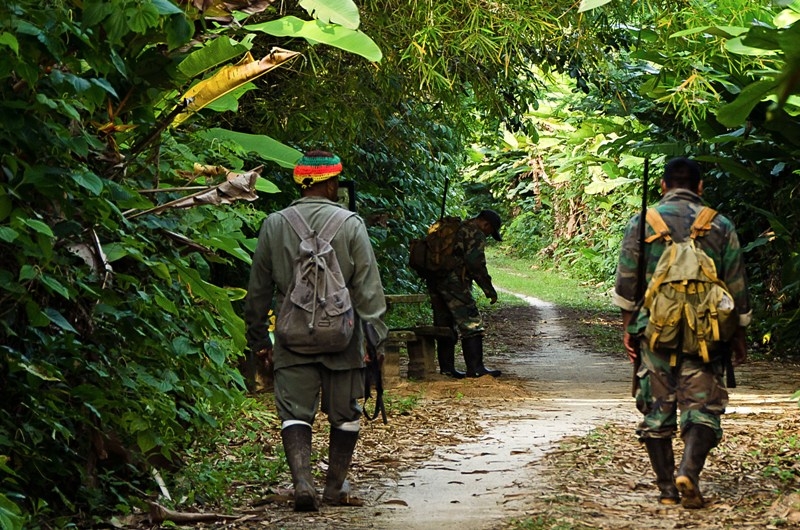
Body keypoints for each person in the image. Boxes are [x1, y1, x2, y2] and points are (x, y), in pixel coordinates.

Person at [244, 150, 388, 512]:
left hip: (293, 337)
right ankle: (335, 487)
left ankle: (302, 483)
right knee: (346, 413)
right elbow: (368, 287)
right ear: (331, 183)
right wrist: (375, 338)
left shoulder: (274, 224)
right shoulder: (351, 223)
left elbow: (258, 288)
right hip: (344, 335)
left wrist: (260, 338)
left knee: (294, 412)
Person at [612, 157, 751, 509]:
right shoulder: (719, 225)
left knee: (657, 410)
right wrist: (738, 334)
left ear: (663, 186)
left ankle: (666, 491)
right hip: (708, 334)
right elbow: (735, 286)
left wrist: (630, 328)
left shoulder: (644, 222)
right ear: (700, 187)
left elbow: (628, 279)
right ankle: (688, 470)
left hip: (655, 332)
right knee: (703, 407)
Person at [424, 209, 503, 379]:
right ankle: (476, 368)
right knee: (471, 322)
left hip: (435, 279)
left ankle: (447, 369)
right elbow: (475, 264)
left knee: (444, 325)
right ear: (485, 224)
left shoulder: (455, 228)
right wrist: (488, 289)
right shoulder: (474, 233)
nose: (488, 235)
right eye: (490, 231)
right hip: (455, 283)